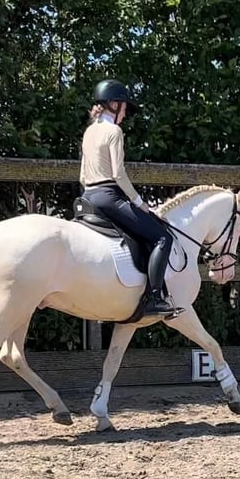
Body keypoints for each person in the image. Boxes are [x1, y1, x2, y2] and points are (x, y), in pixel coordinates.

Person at [79, 78, 176, 317]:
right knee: (163, 237)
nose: (125, 114)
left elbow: (82, 175)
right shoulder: (114, 131)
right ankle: (154, 298)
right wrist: (139, 202)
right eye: (124, 107)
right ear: (113, 104)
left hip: (88, 196)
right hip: (109, 196)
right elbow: (117, 174)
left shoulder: (89, 132)